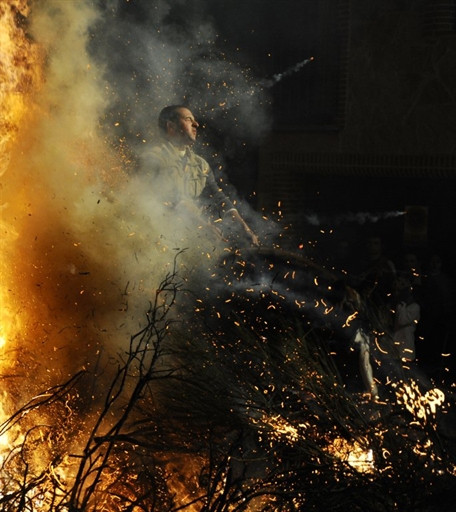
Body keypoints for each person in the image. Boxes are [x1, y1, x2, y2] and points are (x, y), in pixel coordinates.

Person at [143, 104, 259, 248]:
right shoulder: (155, 158)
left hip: (189, 240)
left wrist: (243, 228)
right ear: (171, 127)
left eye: (194, 120)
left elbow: (218, 198)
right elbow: (170, 199)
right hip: (158, 240)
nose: (196, 124)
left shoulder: (200, 165)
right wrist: (202, 226)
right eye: (188, 119)